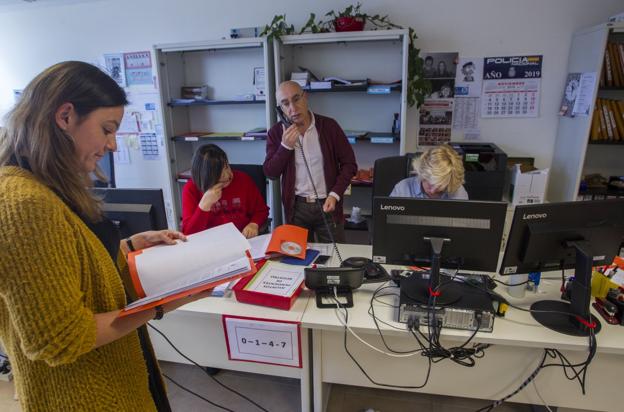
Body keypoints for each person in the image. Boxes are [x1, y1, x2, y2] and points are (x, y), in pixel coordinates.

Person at [0, 61, 212, 411]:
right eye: (107, 129)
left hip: (116, 381)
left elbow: (65, 264)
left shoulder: (46, 185)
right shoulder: (24, 204)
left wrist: (129, 245)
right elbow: (60, 340)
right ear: (65, 116)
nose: (112, 145)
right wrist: (160, 306)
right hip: (84, 397)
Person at [263, 81, 357, 242]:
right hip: (296, 207)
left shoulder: (329, 126)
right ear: (280, 109)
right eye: (285, 104)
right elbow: (270, 173)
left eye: (296, 99)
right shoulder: (276, 133)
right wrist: (285, 146)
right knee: (298, 260)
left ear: (305, 97)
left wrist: (335, 194)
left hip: (328, 203)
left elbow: (350, 164)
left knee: (335, 259)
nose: (293, 108)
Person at [181, 144, 269, 237]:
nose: (228, 176)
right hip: (210, 243)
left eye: (227, 167)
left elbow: (261, 210)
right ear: (207, 178)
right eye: (221, 176)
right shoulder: (191, 188)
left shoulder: (243, 179)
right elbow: (188, 234)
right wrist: (204, 205)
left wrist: (254, 224)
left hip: (242, 239)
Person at [390, 144, 468, 199]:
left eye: (440, 186)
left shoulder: (458, 191)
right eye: (430, 184)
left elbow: (463, 222)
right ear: (421, 174)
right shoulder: (402, 189)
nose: (432, 191)